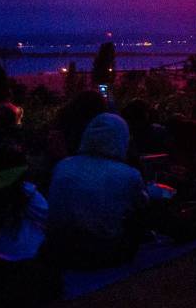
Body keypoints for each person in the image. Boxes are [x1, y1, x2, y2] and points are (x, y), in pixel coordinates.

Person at [44, 114, 148, 268]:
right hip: (104, 253)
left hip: (59, 250)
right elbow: (142, 204)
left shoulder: (63, 165)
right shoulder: (128, 174)